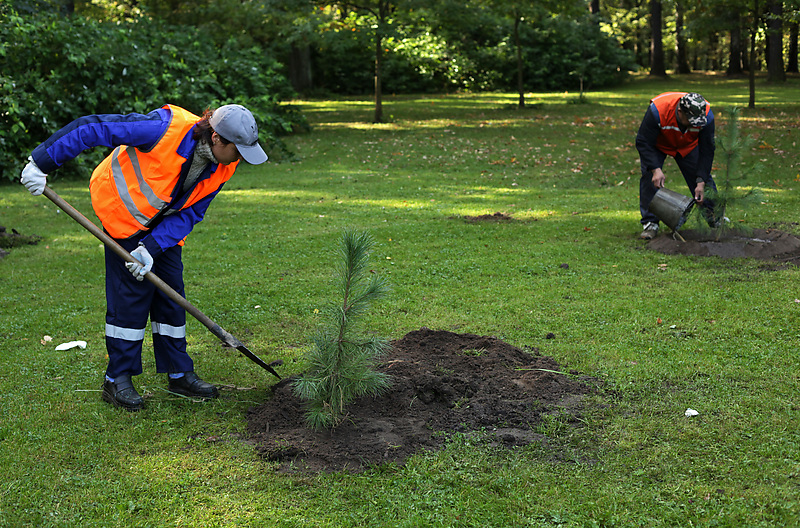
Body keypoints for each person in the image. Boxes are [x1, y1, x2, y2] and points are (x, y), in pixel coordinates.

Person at [20, 104, 268, 411]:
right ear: (217, 138)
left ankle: (178, 373)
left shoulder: (224, 165)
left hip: (162, 227)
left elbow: (192, 212)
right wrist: (40, 161)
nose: (241, 158)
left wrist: (151, 247)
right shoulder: (162, 129)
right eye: (239, 150)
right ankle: (117, 379)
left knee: (172, 295)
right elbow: (92, 127)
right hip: (121, 214)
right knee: (131, 298)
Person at [635, 92, 723, 239]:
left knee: (704, 180)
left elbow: (707, 150)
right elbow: (643, 141)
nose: (694, 124)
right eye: (691, 120)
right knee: (650, 177)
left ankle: (715, 218)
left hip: (688, 145)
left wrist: (700, 180)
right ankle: (650, 223)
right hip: (659, 144)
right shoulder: (658, 111)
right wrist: (655, 169)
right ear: (680, 112)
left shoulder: (706, 116)